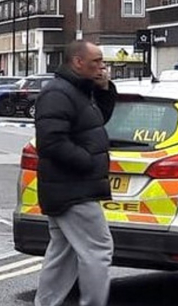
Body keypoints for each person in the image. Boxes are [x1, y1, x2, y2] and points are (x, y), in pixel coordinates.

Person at [34, 40, 117, 306]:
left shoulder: (78, 90)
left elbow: (93, 123)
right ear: (78, 62)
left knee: (64, 252)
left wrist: (104, 90)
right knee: (99, 250)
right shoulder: (58, 93)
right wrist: (87, 162)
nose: (102, 67)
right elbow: (51, 141)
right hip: (72, 188)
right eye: (96, 61)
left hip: (68, 187)